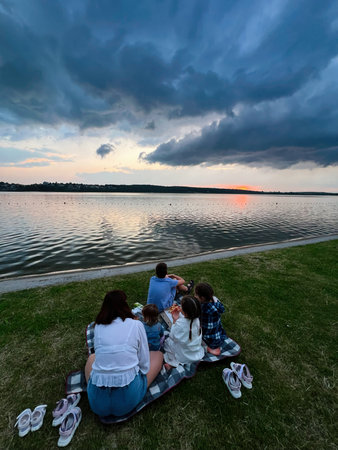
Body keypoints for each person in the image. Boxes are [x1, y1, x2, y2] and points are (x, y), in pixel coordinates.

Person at [85, 290, 163, 418]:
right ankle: (137, 389)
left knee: (92, 358)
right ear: (125, 305)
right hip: (127, 401)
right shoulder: (137, 325)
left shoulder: (98, 326)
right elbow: (144, 364)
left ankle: (98, 390)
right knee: (158, 355)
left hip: (97, 404)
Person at [163, 295, 205, 370]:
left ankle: (173, 363)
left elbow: (172, 336)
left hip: (183, 356)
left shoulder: (180, 323)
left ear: (185, 312)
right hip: (195, 352)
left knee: (167, 342)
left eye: (181, 306)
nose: (179, 307)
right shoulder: (196, 320)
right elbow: (187, 323)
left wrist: (175, 320)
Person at [194, 282, 227, 356]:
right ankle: (214, 348)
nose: (194, 296)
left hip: (207, 337)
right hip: (218, 333)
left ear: (202, 298)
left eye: (196, 295)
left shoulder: (202, 308)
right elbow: (222, 309)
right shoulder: (216, 302)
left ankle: (208, 348)